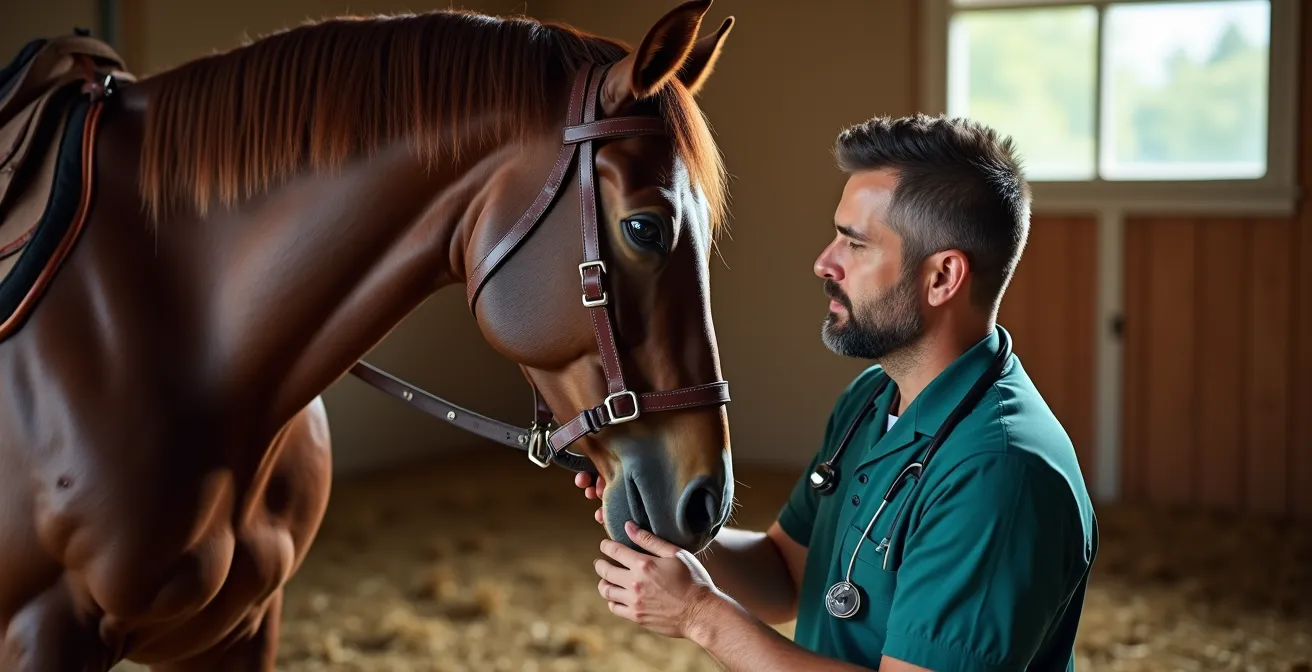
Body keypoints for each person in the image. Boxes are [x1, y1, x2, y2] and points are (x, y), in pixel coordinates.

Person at [580, 113, 1099, 671]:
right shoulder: (873, 399)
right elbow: (786, 574)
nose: (824, 262)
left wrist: (698, 615)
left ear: (943, 277)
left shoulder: (998, 471)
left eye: (855, 244)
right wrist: (658, 526)